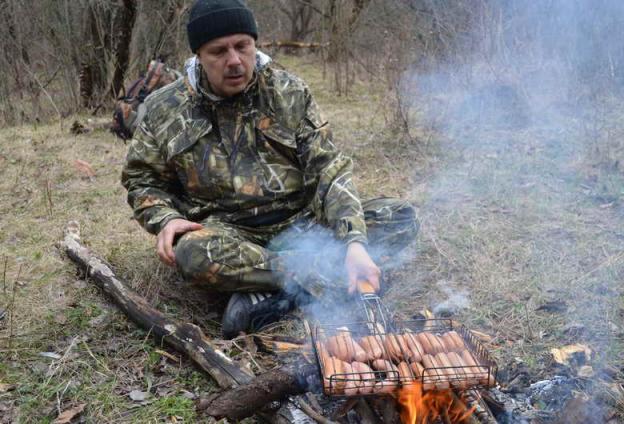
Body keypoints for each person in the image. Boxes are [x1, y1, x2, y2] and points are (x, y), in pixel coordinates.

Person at [121, 0, 419, 338]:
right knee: (191, 253)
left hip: (303, 223)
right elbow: (142, 180)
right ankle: (318, 276)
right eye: (219, 51)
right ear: (199, 56)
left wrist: (353, 242)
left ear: (253, 44)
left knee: (399, 216)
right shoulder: (165, 107)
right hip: (230, 233)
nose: (234, 61)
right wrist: (167, 219)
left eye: (242, 46)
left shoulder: (288, 91)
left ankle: (265, 290)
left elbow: (329, 170)